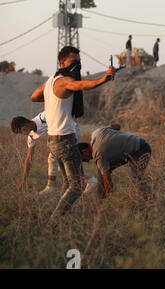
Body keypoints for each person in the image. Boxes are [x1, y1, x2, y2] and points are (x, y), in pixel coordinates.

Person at [30, 46, 115, 225]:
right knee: (76, 187)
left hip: (53, 142)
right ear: (62, 62)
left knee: (69, 184)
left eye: (78, 61)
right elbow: (82, 85)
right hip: (66, 141)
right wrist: (104, 79)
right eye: (73, 61)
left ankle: (64, 217)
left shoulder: (51, 81)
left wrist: (52, 98)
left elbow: (35, 96)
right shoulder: (63, 81)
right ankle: (54, 221)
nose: (77, 64)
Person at [10, 112, 93, 195]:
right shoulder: (31, 136)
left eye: (23, 130)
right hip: (60, 141)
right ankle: (88, 180)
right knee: (62, 166)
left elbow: (62, 116)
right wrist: (24, 180)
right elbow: (29, 159)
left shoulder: (43, 118)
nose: (24, 133)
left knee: (53, 157)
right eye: (21, 133)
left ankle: (51, 186)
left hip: (72, 131)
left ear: (26, 124)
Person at [78, 126, 151, 200]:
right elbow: (117, 126)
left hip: (141, 149)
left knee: (137, 181)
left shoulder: (99, 156)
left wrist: (109, 199)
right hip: (137, 141)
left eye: (83, 159)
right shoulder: (96, 132)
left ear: (85, 151)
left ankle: (151, 200)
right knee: (101, 174)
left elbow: (108, 184)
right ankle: (100, 202)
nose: (86, 161)